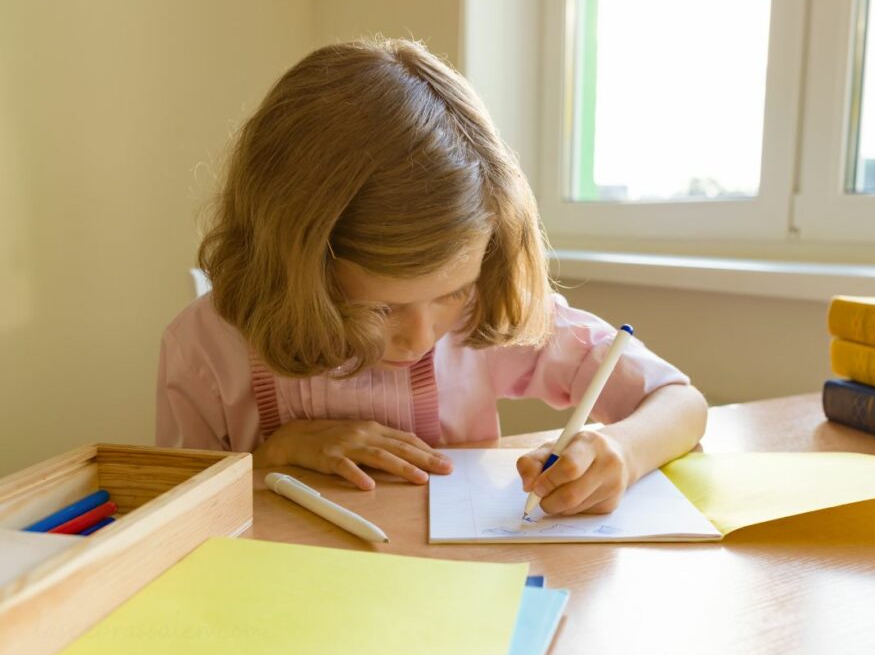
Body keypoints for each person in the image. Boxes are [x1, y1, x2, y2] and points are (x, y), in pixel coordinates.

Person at [156, 38, 707, 516]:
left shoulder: (485, 314)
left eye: (452, 291)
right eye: (380, 308)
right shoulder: (204, 347)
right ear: (295, 269)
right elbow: (170, 514)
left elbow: (680, 403)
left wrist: (623, 452)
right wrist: (269, 456)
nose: (422, 338)